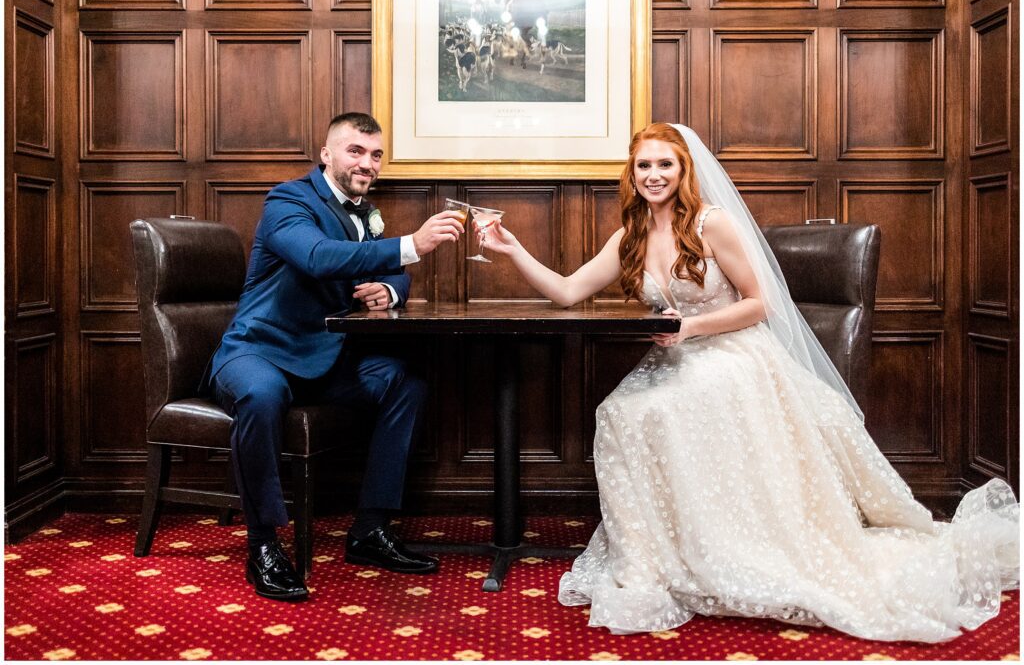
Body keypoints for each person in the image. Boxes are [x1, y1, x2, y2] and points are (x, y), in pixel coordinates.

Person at [476, 122, 1019, 642]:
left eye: (665, 163)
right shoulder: (631, 234)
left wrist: (690, 327)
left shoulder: (712, 224)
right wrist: (512, 249)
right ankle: (655, 553)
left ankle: (725, 546)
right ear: (632, 173)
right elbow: (568, 292)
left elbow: (758, 306)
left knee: (654, 412)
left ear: (684, 169)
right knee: (619, 411)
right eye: (644, 165)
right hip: (673, 360)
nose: (654, 174)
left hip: (731, 354)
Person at [205, 112, 465, 602]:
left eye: (376, 155)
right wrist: (411, 245)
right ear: (326, 154)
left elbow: (386, 267)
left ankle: (369, 530)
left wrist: (390, 288)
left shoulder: (363, 211)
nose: (367, 163)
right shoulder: (289, 200)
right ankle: (262, 545)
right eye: (355, 151)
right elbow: (319, 257)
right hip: (257, 351)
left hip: (323, 360)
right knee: (262, 394)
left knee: (403, 382)